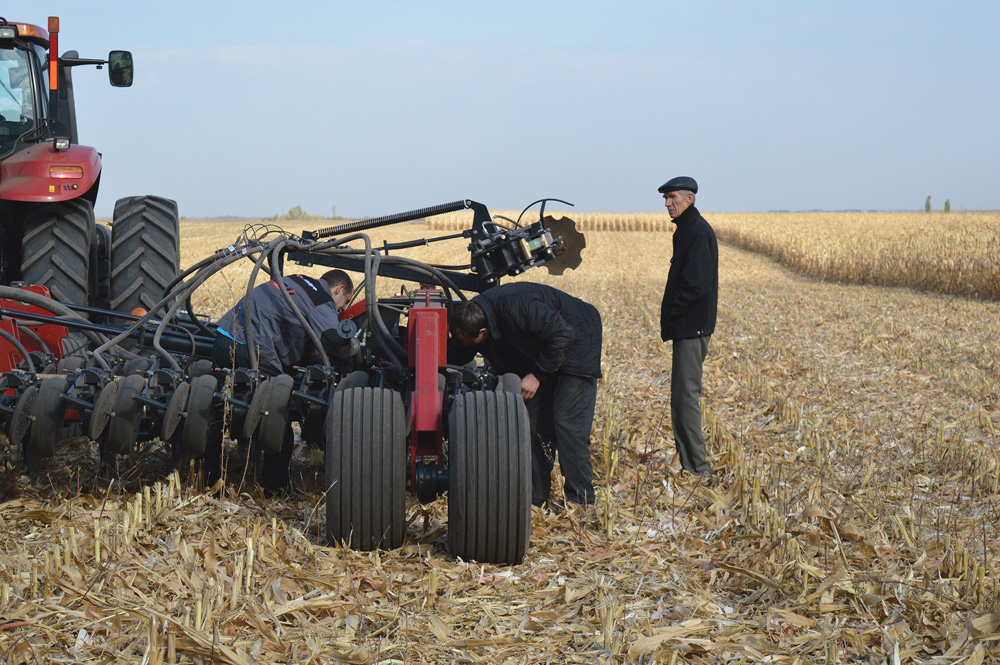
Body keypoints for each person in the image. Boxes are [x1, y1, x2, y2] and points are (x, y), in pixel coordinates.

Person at [448, 282, 602, 508]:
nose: (470, 347)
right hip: (542, 353)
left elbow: (563, 334)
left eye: (473, 342)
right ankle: (535, 500)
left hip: (578, 343)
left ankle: (581, 502)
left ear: (483, 332)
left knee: (569, 425)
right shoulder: (478, 318)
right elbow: (458, 351)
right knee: (533, 426)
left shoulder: (516, 306)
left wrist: (537, 375)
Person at [209, 269, 354, 490]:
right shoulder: (321, 299)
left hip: (224, 338)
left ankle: (208, 478)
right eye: (346, 301)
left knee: (216, 407)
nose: (344, 308)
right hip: (254, 349)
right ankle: (275, 489)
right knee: (277, 416)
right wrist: (353, 355)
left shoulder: (294, 281)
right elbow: (332, 343)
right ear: (339, 289)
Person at [658, 176, 718, 478]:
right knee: (679, 399)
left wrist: (672, 311)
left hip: (692, 328)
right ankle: (689, 465)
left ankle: (699, 468)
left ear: (689, 198)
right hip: (686, 327)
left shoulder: (696, 231)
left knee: (686, 398)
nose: (667, 204)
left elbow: (697, 285)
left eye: (672, 198)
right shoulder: (687, 230)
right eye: (666, 199)